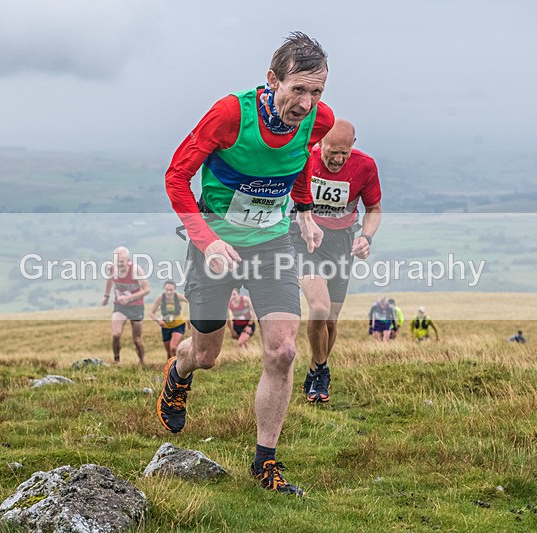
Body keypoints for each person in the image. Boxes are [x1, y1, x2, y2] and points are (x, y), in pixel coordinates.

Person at [157, 32, 334, 496]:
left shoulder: (319, 120)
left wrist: (303, 210)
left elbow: (301, 162)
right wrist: (207, 239)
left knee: (283, 350)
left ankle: (264, 462)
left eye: (316, 91)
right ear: (272, 79)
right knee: (207, 355)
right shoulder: (230, 115)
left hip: (272, 244)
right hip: (215, 244)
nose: (306, 102)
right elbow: (177, 177)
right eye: (298, 88)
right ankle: (179, 372)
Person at [291, 119, 382, 404]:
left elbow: (374, 209)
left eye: (344, 152)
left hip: (341, 242)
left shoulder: (365, 166)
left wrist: (366, 237)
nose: (337, 159)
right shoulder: (304, 157)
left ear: (352, 146)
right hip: (306, 238)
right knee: (319, 307)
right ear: (321, 144)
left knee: (330, 320)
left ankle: (315, 369)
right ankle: (322, 371)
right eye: (332, 151)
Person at [101, 246, 150, 364]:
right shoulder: (112, 269)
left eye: (121, 262)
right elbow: (109, 281)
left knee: (137, 340)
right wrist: (106, 296)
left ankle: (142, 361)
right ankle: (116, 360)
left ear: (128, 260)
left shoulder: (136, 270)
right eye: (117, 261)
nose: (119, 264)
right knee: (116, 334)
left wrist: (129, 298)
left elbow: (147, 290)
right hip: (120, 306)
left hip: (136, 306)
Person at [149, 280, 189, 359]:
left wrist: (190, 318)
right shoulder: (160, 298)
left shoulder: (179, 297)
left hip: (178, 325)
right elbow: (151, 313)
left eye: (171, 290)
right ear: (164, 289)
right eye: (167, 290)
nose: (169, 292)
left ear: (174, 289)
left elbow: (192, 303)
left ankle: (177, 368)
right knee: (169, 353)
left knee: (173, 348)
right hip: (165, 326)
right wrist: (158, 320)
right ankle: (170, 368)